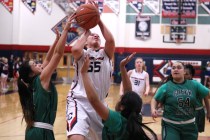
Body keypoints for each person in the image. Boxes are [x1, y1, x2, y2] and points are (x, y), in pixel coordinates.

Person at [17, 16, 74, 140]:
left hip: (35, 132)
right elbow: (58, 55)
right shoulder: (41, 79)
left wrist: (56, 41)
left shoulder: (34, 83)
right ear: (31, 74)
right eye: (34, 64)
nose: (38, 64)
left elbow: (47, 59)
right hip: (40, 133)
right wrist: (66, 31)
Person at [81, 52, 157, 140]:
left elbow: (94, 100)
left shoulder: (116, 120)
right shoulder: (137, 117)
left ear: (121, 107)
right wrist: (122, 67)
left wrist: (84, 73)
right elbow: (128, 91)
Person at [66, 6, 115, 140]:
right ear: (85, 42)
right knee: (76, 137)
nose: (96, 35)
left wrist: (98, 20)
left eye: (98, 36)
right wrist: (87, 31)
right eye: (92, 36)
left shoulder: (105, 54)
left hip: (99, 104)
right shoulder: (82, 54)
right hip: (79, 101)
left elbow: (110, 41)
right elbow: (75, 49)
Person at [151, 62, 210, 140]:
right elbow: (154, 99)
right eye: (173, 68)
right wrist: (153, 109)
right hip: (170, 125)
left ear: (184, 71)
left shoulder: (194, 84)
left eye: (179, 67)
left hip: (190, 125)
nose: (176, 69)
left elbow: (207, 94)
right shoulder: (165, 86)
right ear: (171, 71)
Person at [184, 64, 210, 133]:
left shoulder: (196, 84)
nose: (184, 75)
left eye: (186, 74)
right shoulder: (180, 84)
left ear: (191, 75)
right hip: (185, 112)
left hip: (197, 112)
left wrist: (208, 112)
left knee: (193, 133)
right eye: (183, 73)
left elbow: (206, 96)